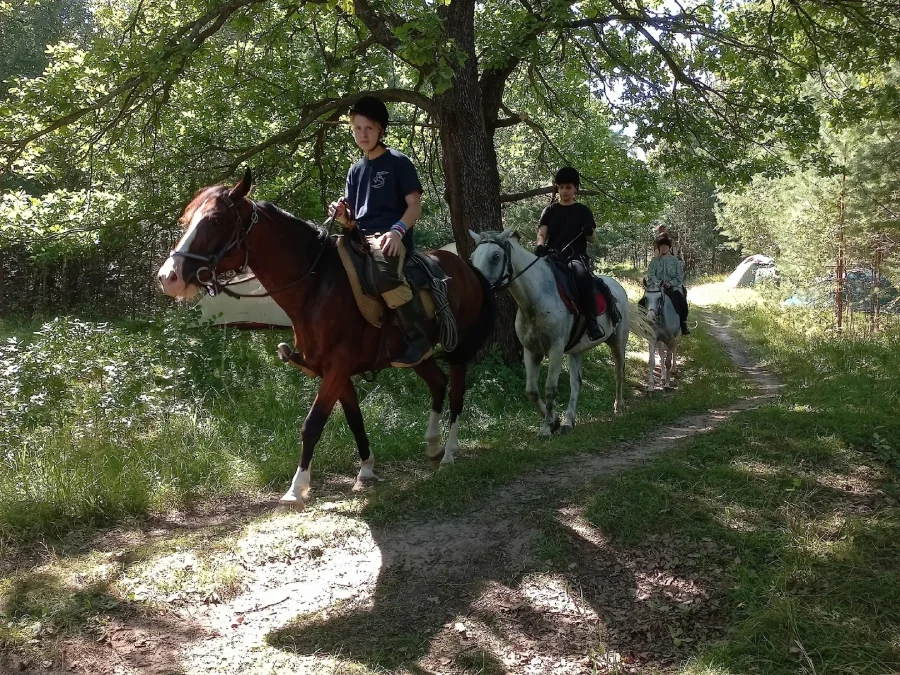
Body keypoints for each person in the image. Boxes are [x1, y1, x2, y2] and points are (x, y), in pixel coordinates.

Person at [328, 95, 431, 367]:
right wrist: (342, 215)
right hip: (360, 236)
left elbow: (414, 206)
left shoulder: (398, 162)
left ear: (381, 130)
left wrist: (397, 232)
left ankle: (419, 340)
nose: (362, 134)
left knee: (384, 276)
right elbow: (351, 219)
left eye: (368, 128)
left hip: (390, 236)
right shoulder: (355, 171)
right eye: (357, 129)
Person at [535, 167, 604, 340]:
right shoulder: (549, 211)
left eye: (568, 187)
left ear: (575, 189)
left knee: (584, 278)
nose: (564, 191)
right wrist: (540, 245)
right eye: (561, 187)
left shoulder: (583, 211)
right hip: (551, 256)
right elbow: (542, 232)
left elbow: (593, 239)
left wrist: (589, 231)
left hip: (575, 257)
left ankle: (592, 322)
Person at [647, 234, 690, 335]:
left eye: (665, 247)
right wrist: (659, 283)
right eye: (661, 247)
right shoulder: (654, 261)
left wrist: (670, 283)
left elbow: (679, 275)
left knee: (682, 303)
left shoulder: (675, 261)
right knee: (642, 301)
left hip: (672, 287)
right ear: (659, 248)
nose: (663, 248)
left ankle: (683, 324)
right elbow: (651, 274)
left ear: (669, 248)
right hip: (657, 287)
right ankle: (645, 325)